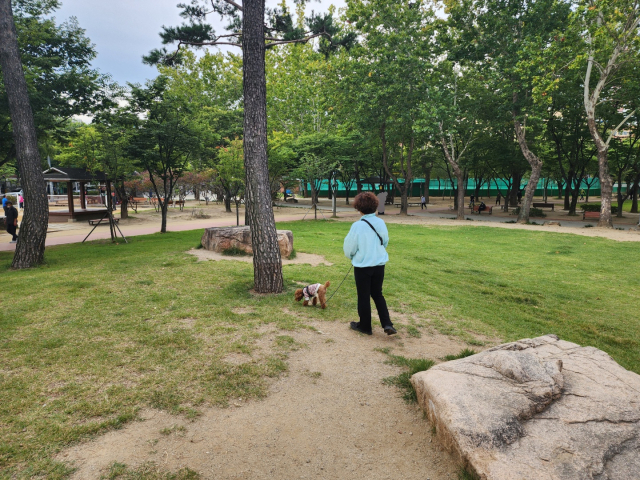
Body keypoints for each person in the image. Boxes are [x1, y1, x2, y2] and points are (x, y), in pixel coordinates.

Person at [343, 192, 396, 336]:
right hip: (379, 264)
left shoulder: (357, 226)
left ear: (358, 208)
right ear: (375, 206)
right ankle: (387, 323)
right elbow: (384, 241)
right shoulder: (380, 222)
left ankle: (365, 326)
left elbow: (349, 247)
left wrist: (352, 256)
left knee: (364, 296)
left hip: (363, 266)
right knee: (378, 294)